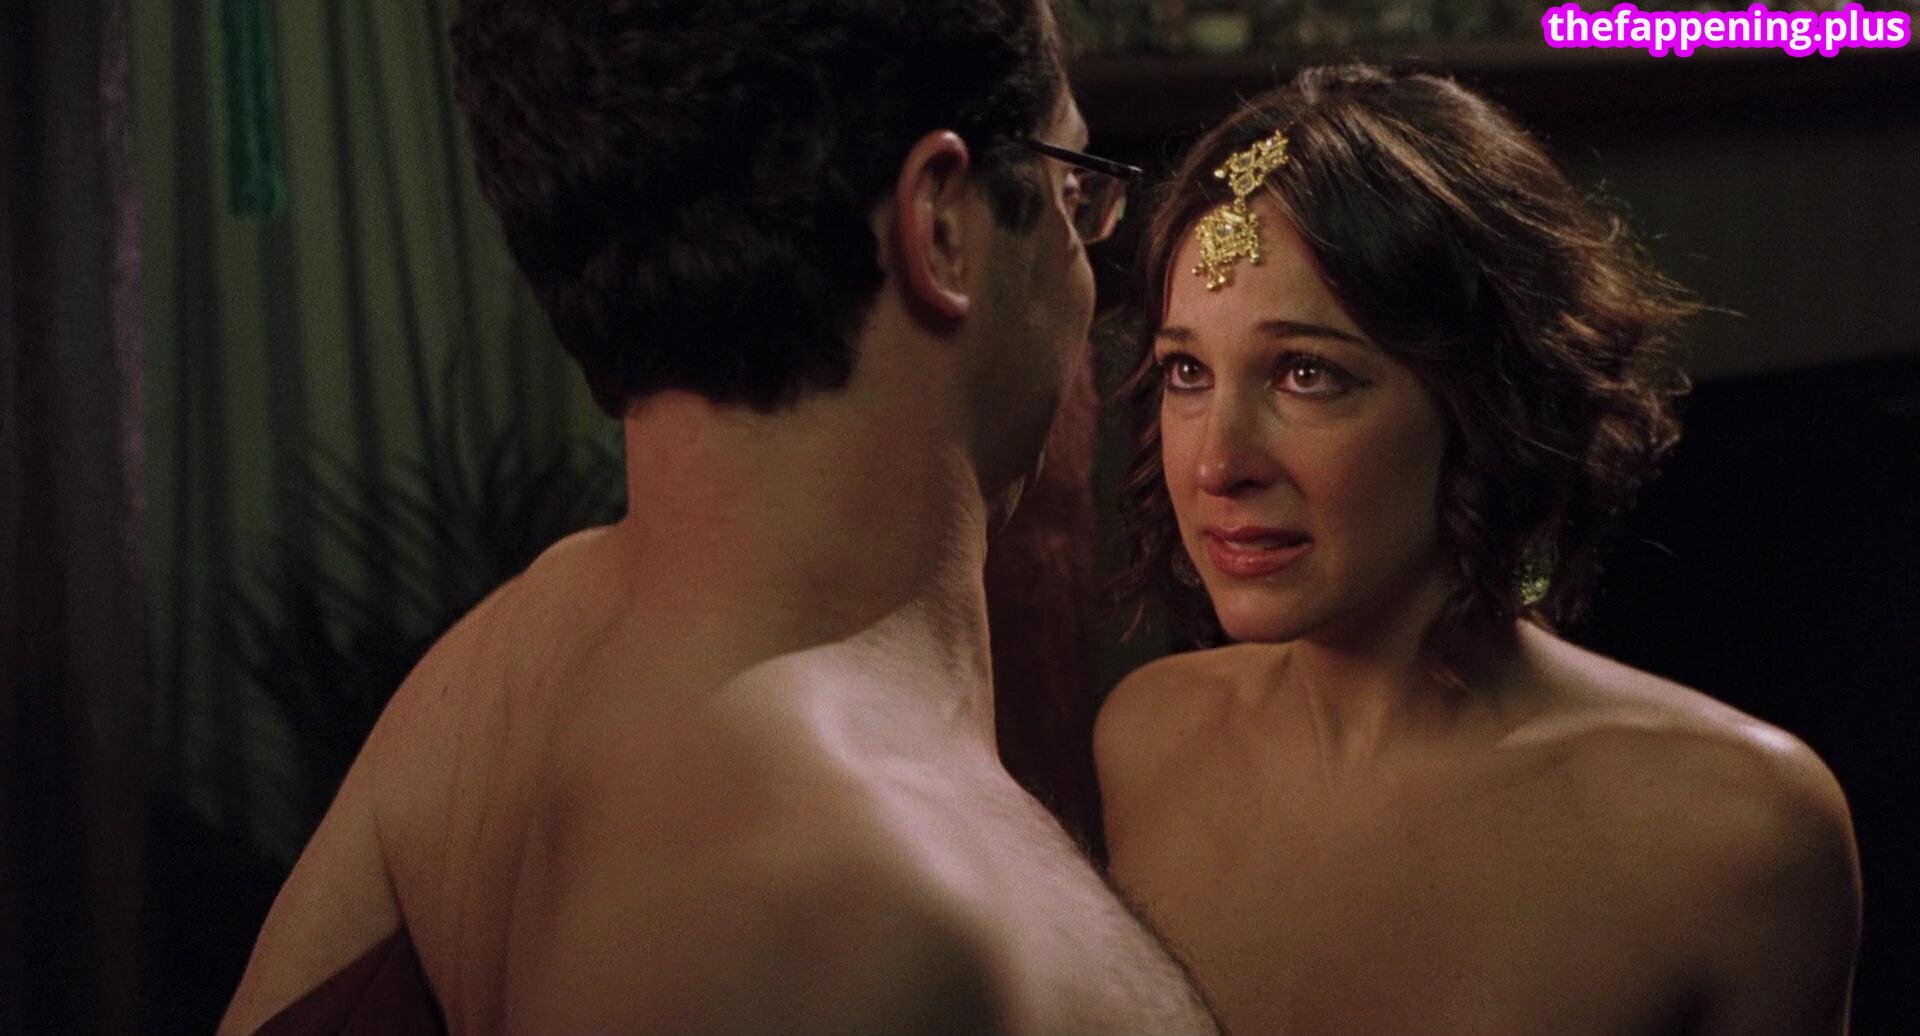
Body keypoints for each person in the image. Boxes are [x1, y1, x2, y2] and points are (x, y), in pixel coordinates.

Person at [220, 1, 1217, 1032]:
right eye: (1070, 192)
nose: (1082, 264)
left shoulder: (486, 675)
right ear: (943, 227)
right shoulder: (828, 911)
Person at [1095, 64, 1861, 1035]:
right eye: (1187, 371)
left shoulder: (1738, 831)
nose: (1218, 462)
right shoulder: (1145, 740)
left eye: (1306, 373)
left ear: (1488, 403)